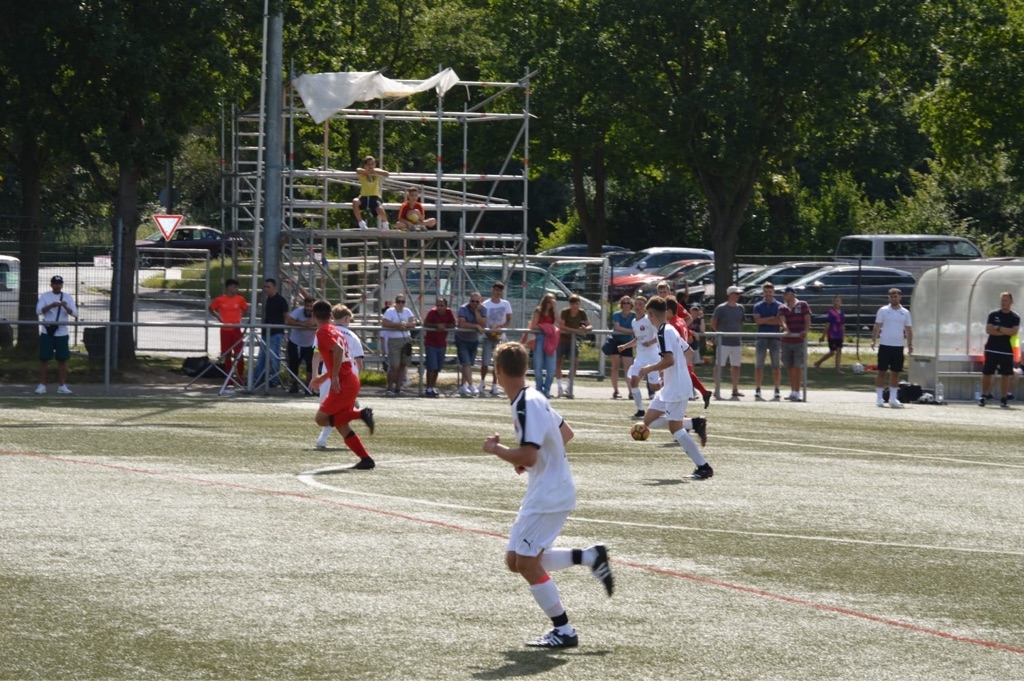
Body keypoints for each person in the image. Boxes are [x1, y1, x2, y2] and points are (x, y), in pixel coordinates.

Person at [481, 341, 614, 649]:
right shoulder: (534, 396)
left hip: (548, 494)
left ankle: (564, 630)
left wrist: (498, 450)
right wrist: (531, 459)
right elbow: (566, 433)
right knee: (515, 561)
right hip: (546, 490)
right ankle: (589, 556)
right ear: (524, 367)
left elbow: (528, 455)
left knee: (527, 565)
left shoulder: (524, 404)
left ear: (498, 370)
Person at [638, 297, 713, 478]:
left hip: (676, 387)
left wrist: (649, 369)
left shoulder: (663, 332)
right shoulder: (670, 329)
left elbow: (669, 360)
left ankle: (703, 467)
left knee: (676, 429)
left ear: (650, 314)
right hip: (671, 385)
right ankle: (695, 423)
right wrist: (674, 371)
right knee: (648, 422)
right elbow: (689, 352)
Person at [308, 300, 376, 469]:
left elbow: (337, 350)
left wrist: (334, 377)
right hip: (350, 379)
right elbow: (340, 358)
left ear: (313, 316)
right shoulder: (334, 330)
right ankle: (366, 459)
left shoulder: (322, 331)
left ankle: (361, 414)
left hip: (343, 382)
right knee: (340, 424)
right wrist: (323, 378)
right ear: (331, 316)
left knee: (321, 419)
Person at [316, 304, 366, 449]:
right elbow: (359, 361)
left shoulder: (326, 331)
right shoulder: (352, 336)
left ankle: (322, 439)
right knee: (337, 413)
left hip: (331, 373)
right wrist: (357, 380)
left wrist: (316, 375)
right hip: (348, 374)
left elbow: (316, 354)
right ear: (346, 319)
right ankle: (360, 415)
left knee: (326, 412)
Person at [619, 296, 662, 418]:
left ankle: (666, 385)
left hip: (652, 356)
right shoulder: (634, 321)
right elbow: (638, 339)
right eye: (636, 304)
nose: (638, 306)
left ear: (645, 307)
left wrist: (650, 342)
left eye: (641, 304)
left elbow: (659, 335)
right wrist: (625, 346)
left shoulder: (649, 320)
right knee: (634, 381)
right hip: (640, 356)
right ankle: (640, 410)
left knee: (654, 386)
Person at [35, 274, 79, 395]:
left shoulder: (67, 297)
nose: (57, 286)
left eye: (59, 284)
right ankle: (42, 385)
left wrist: (65, 306)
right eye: (55, 284)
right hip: (47, 332)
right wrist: (52, 305)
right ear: (51, 285)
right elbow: (38, 311)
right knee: (44, 359)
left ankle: (62, 385)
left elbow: (75, 314)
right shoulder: (45, 296)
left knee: (62, 360)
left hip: (62, 333)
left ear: (62, 285)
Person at [871, 288, 913, 408]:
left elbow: (908, 330)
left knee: (895, 372)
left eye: (896, 296)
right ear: (889, 298)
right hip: (885, 345)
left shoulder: (905, 312)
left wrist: (910, 344)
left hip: (898, 346)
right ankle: (879, 398)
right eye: (892, 297)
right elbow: (877, 326)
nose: (894, 299)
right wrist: (873, 340)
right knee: (881, 371)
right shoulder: (883, 310)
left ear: (900, 297)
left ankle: (893, 398)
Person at [666, 296, 711, 409]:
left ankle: (682, 414)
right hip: (684, 352)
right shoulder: (681, 321)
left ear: (669, 310)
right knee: (688, 375)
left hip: (678, 355)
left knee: (676, 386)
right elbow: (689, 339)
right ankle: (704, 392)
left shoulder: (672, 325)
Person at [980, 291, 1020, 408]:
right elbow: (989, 330)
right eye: (1002, 300)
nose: (1003, 302)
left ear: (1011, 302)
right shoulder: (993, 315)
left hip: (1006, 350)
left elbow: (1013, 332)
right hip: (991, 349)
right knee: (987, 373)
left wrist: (998, 328)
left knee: (1006, 375)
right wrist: (1005, 331)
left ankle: (1003, 398)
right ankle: (984, 396)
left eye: (1006, 300)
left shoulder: (1015, 317)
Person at [208, 278, 249, 384]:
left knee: (239, 353)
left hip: (236, 329)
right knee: (227, 354)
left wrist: (239, 317)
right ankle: (228, 377)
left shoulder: (240, 299)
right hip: (225, 330)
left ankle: (240, 377)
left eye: (237, 287)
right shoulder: (220, 299)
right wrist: (218, 317)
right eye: (235, 287)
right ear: (229, 287)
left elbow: (245, 308)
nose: (236, 289)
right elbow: (211, 308)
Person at [253, 278, 289, 389]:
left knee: (274, 357)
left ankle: (274, 379)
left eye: (268, 287)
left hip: (276, 332)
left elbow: (286, 317)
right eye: (265, 287)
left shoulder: (281, 300)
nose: (266, 289)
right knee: (262, 356)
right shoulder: (268, 299)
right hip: (266, 332)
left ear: (274, 287)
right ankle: (257, 378)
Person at [711, 286, 745, 400]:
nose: (738, 296)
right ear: (730, 294)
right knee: (719, 365)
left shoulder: (740, 308)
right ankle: (717, 388)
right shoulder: (721, 308)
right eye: (736, 294)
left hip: (736, 342)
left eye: (738, 294)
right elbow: (713, 323)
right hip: (723, 342)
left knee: (736, 366)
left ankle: (735, 389)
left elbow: (741, 322)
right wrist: (720, 334)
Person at [480, 281, 514, 397]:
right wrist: (488, 330)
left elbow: (508, 319)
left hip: (500, 336)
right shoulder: (486, 304)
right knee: (485, 361)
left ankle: (495, 384)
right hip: (487, 336)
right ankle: (482, 382)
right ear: (492, 290)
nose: (497, 292)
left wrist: (501, 328)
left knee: (497, 362)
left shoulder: (506, 304)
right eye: (496, 290)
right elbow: (483, 320)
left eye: (499, 290)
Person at [555, 294, 592, 398]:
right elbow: (561, 326)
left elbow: (590, 325)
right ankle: (559, 387)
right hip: (562, 339)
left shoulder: (582, 312)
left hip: (572, 340)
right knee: (559, 362)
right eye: (572, 303)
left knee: (575, 363)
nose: (575, 306)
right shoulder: (565, 312)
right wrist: (575, 331)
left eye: (577, 303)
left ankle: (569, 387)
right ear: (569, 304)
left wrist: (585, 328)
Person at [779, 286, 812, 401]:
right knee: (790, 366)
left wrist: (805, 330)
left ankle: (797, 391)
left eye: (786, 293)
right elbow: (782, 320)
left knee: (798, 366)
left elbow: (807, 319)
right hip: (787, 341)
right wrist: (786, 329)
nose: (783, 295)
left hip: (799, 341)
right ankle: (793, 390)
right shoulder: (782, 307)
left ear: (792, 294)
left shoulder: (802, 305)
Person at [752, 282, 783, 401]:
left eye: (770, 292)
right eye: (766, 292)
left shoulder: (780, 306)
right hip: (762, 337)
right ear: (763, 292)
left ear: (773, 292)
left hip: (775, 337)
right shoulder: (758, 306)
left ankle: (777, 389)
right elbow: (758, 321)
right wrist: (771, 318)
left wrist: (765, 320)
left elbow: (779, 321)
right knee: (759, 365)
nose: (768, 294)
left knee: (776, 365)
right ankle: (758, 388)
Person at [381, 294, 417, 395]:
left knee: (403, 365)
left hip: (406, 340)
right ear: (395, 302)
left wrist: (406, 325)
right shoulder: (390, 311)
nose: (401, 304)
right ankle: (389, 388)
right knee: (394, 366)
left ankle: (398, 388)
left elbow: (413, 323)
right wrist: (397, 325)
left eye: (403, 302)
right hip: (394, 341)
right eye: (398, 301)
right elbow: (385, 322)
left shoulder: (407, 311)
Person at [423, 297, 456, 397]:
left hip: (442, 344)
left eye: (442, 306)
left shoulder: (449, 312)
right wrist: (436, 325)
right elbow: (426, 323)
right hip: (431, 343)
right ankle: (428, 388)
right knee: (431, 367)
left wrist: (444, 326)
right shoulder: (432, 312)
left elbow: (453, 324)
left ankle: (433, 387)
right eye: (438, 305)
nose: (439, 307)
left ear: (446, 306)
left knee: (437, 367)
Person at [528, 293, 559, 397]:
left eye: (553, 301)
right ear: (545, 301)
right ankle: (539, 389)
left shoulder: (553, 312)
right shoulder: (538, 310)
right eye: (549, 301)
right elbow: (534, 325)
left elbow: (560, 322)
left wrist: (555, 308)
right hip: (539, 339)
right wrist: (547, 327)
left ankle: (547, 390)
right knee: (538, 367)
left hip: (551, 339)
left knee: (551, 369)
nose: (550, 304)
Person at [455, 292, 486, 396]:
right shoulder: (463, 308)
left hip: (473, 339)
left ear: (480, 302)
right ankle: (471, 385)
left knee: (469, 364)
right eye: (472, 301)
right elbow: (462, 324)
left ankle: (463, 386)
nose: (474, 303)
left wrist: (477, 312)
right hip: (461, 339)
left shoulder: (483, 309)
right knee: (466, 363)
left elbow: (483, 324)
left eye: (477, 302)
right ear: (469, 301)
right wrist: (475, 326)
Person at [285, 297, 317, 393]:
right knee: (293, 364)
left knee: (310, 365)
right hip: (296, 342)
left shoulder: (317, 313)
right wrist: (302, 324)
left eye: (311, 306)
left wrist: (315, 324)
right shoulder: (299, 311)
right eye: (307, 306)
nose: (309, 308)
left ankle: (308, 385)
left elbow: (326, 322)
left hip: (310, 343)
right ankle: (294, 385)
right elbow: (288, 320)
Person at [607, 296, 636, 399]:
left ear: (631, 305)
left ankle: (631, 391)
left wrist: (630, 332)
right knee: (615, 367)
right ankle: (616, 391)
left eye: (628, 303)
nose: (626, 305)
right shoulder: (616, 314)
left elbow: (635, 328)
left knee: (628, 368)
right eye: (624, 303)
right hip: (616, 342)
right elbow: (617, 327)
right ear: (621, 304)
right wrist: (631, 331)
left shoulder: (634, 315)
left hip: (628, 343)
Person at [352, 155, 390, 230]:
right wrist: (366, 172)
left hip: (375, 196)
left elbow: (387, 174)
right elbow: (357, 170)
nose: (371, 166)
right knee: (355, 201)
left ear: (375, 165)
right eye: (368, 164)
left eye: (372, 164)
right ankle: (361, 223)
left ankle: (385, 224)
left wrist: (375, 171)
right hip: (364, 196)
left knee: (379, 208)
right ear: (365, 165)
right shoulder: (362, 173)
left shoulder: (377, 171)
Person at [814, 296, 845, 373]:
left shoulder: (842, 312)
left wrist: (843, 334)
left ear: (840, 302)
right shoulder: (831, 312)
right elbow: (827, 324)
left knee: (839, 351)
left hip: (839, 335)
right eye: (835, 301)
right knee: (832, 352)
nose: (836, 302)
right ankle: (817, 363)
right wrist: (823, 336)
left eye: (837, 301)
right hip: (832, 335)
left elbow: (842, 325)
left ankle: (837, 369)